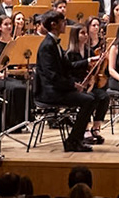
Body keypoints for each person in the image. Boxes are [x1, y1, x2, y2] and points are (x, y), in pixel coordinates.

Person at [36, 11, 103, 152]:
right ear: (54, 25)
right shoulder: (47, 46)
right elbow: (52, 76)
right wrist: (72, 85)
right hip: (50, 92)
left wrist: (88, 62)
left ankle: (75, 139)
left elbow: (69, 67)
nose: (65, 24)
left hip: (57, 88)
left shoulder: (55, 44)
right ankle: (73, 141)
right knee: (88, 100)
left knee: (93, 97)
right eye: (63, 21)